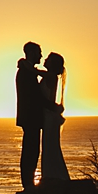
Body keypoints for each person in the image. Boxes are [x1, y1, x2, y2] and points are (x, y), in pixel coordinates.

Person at [15, 42, 63, 190]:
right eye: (39, 52)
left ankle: (31, 182)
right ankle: (29, 184)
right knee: (31, 150)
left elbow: (37, 95)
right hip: (31, 117)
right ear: (31, 52)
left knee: (33, 149)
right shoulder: (26, 71)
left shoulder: (29, 70)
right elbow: (34, 97)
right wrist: (54, 107)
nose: (41, 56)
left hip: (34, 117)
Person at [39, 53, 70, 182]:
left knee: (49, 146)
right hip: (49, 115)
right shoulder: (50, 77)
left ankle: (53, 175)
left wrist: (25, 65)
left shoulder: (50, 76)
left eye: (48, 59)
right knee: (50, 146)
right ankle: (53, 174)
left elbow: (35, 72)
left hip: (49, 116)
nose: (45, 60)